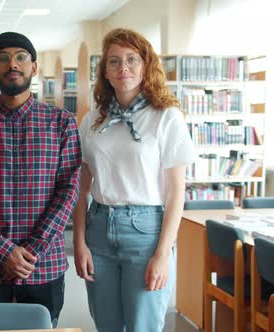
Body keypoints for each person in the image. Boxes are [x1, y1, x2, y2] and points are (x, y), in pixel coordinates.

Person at [0, 31, 81, 327]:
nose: (13, 64)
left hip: (43, 265)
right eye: (3, 58)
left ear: (33, 67)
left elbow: (68, 191)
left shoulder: (61, 123)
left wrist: (31, 251)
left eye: (21, 57)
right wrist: (3, 251)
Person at [73, 28, 196, 332]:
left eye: (131, 59)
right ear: (105, 71)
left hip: (146, 232)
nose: (123, 68)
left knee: (143, 326)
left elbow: (177, 192)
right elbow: (81, 185)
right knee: (107, 325)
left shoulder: (166, 116)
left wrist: (163, 254)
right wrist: (79, 242)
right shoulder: (93, 119)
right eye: (114, 61)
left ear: (145, 65)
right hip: (98, 229)